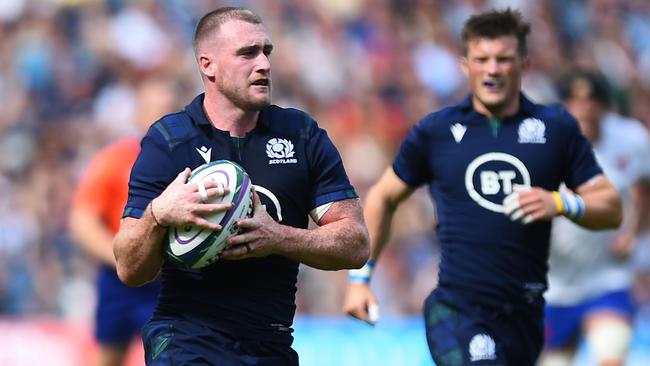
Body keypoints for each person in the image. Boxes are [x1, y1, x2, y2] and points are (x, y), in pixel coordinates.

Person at [343, 8, 622, 366]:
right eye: (482, 59)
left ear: (524, 63)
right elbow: (383, 196)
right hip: (459, 308)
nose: (492, 69)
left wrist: (563, 203)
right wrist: (360, 278)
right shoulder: (437, 131)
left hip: (526, 313)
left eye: (504, 59)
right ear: (465, 65)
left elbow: (611, 207)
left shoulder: (555, 129)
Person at [112, 7, 369, 366]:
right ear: (208, 65)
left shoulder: (300, 135)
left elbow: (356, 243)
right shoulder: (169, 141)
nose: (263, 64)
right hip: (187, 336)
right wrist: (157, 215)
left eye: (267, 52)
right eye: (247, 53)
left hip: (270, 342)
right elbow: (128, 268)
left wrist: (279, 238)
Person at [540, 69, 650, 366]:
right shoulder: (541, 145)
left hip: (607, 276)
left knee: (611, 354)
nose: (583, 108)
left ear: (605, 105)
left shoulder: (631, 138)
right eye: (574, 101)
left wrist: (635, 234)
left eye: (590, 100)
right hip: (555, 284)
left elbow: (645, 188)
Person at [69, 78, 176, 366]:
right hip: (118, 280)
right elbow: (83, 221)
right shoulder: (115, 160)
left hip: (168, 281)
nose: (159, 117)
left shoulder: (187, 163)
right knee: (109, 355)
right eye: (154, 109)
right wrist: (122, 258)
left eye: (167, 110)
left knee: (170, 356)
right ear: (138, 113)